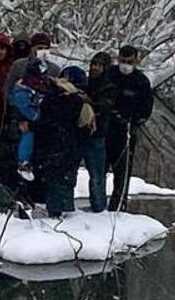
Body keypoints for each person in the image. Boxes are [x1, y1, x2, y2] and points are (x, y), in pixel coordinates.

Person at [30, 74, 92, 217]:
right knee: (63, 178)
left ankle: (52, 207)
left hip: (53, 144)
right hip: (67, 144)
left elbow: (44, 123)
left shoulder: (50, 101)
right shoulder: (79, 101)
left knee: (52, 177)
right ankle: (59, 207)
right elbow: (84, 126)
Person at [106, 45, 154, 211]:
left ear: (136, 61)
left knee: (123, 171)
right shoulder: (109, 74)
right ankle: (97, 204)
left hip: (127, 132)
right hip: (106, 129)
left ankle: (119, 205)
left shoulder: (141, 81)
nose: (125, 64)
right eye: (123, 61)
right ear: (118, 59)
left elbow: (146, 107)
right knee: (99, 169)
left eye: (129, 61)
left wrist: (136, 122)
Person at [78, 52, 117, 212]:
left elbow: (104, 106)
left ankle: (99, 208)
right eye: (94, 64)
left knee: (97, 177)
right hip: (79, 135)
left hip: (97, 136)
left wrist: (89, 102)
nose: (95, 68)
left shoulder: (110, 87)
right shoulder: (85, 83)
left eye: (99, 65)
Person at [10, 59, 51, 181]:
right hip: (26, 122)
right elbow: (23, 105)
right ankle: (24, 162)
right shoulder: (23, 89)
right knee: (28, 134)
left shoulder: (43, 87)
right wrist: (36, 118)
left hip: (41, 126)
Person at [2, 32, 62, 100]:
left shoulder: (55, 69)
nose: (43, 51)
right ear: (32, 48)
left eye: (46, 49)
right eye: (40, 48)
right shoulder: (19, 65)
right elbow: (7, 89)